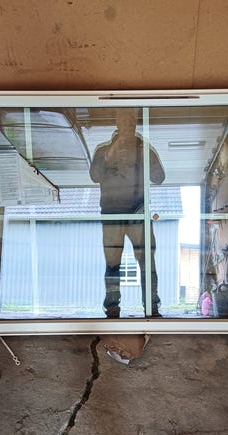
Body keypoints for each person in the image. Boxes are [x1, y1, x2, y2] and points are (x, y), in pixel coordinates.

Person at [90, 108, 165, 318]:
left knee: (147, 262)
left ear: (136, 123)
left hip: (138, 213)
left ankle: (152, 307)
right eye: (123, 120)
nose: (127, 124)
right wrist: (111, 153)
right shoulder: (103, 150)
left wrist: (145, 156)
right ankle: (112, 308)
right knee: (112, 262)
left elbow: (159, 178)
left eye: (131, 120)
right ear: (116, 122)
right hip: (112, 215)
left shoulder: (144, 149)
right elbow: (94, 176)